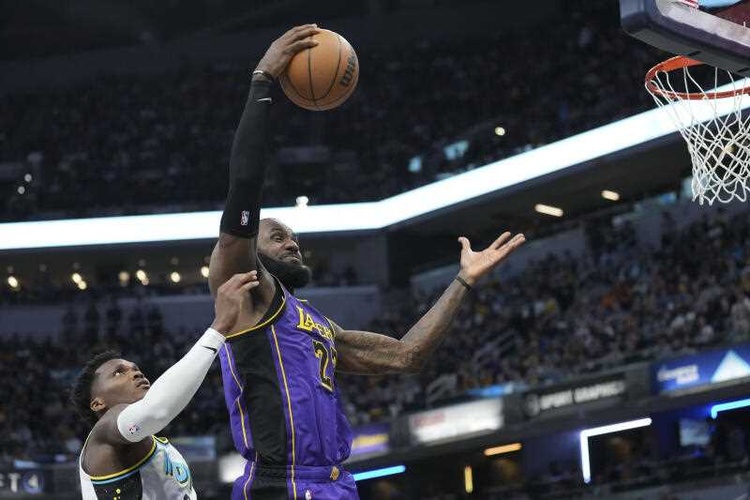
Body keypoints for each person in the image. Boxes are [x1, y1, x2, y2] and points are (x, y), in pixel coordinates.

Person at [209, 25, 527, 499]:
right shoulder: (246, 292)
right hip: (282, 483)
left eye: (294, 237)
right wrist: (263, 82)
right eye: (278, 237)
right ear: (251, 248)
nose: (292, 244)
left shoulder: (316, 324)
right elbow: (244, 187)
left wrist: (463, 281)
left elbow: (406, 355)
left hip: (337, 483)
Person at [71, 271, 259, 499]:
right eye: (118, 372)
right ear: (97, 403)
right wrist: (219, 327)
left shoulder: (151, 440)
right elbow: (157, 410)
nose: (135, 373)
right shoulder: (104, 432)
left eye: (134, 368)